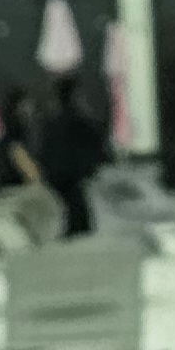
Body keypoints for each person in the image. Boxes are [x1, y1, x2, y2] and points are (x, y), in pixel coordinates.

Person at [28, 74, 110, 239]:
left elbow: (42, 150)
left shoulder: (50, 123)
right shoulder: (79, 120)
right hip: (72, 178)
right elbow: (96, 142)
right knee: (78, 217)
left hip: (56, 179)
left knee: (64, 215)